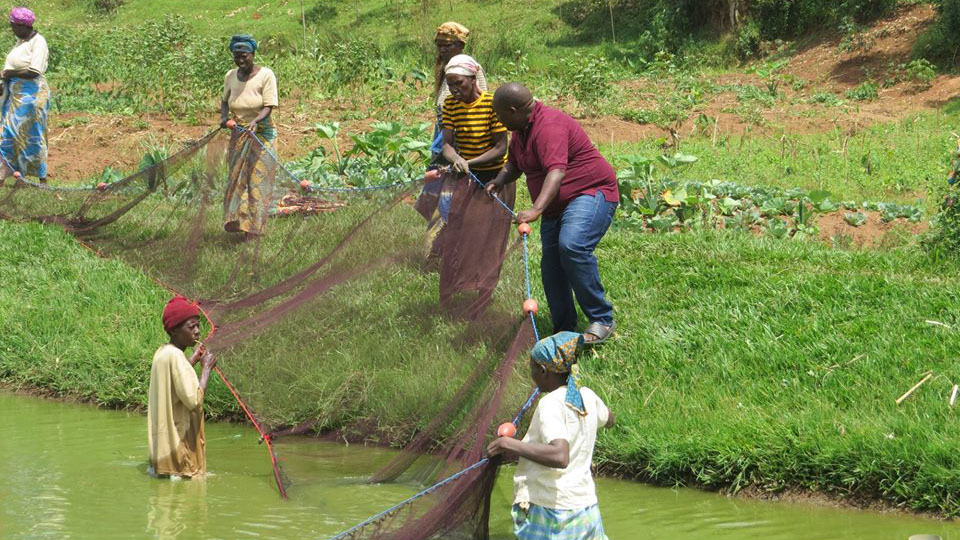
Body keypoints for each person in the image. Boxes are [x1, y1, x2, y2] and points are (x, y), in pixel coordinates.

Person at [485, 83, 619, 344]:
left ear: (513, 111)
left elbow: (556, 172)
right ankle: (564, 328)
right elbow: (514, 163)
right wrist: (500, 180)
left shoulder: (549, 127)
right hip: (557, 206)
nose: (498, 121)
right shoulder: (521, 130)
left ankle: (602, 318)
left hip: (591, 192)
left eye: (499, 115)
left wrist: (536, 209)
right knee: (552, 266)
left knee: (572, 246)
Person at [487, 331, 614, 540]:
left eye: (532, 368)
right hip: (586, 509)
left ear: (544, 370)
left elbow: (560, 456)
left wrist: (509, 444)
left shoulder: (551, 404)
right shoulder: (587, 396)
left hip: (553, 513)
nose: (531, 374)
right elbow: (610, 419)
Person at [148, 296, 217, 478]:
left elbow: (176, 379)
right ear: (175, 331)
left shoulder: (162, 353)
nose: (197, 332)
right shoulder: (176, 358)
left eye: (197, 326)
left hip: (162, 456)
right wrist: (206, 370)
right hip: (180, 457)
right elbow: (194, 401)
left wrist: (193, 359)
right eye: (191, 327)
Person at [220, 34, 279, 238]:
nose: (240, 60)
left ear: (253, 55)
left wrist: (256, 121)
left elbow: (269, 106)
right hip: (239, 133)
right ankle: (239, 221)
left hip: (262, 135)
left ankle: (254, 230)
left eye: (244, 56)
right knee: (237, 179)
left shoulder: (266, 75)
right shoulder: (230, 76)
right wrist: (224, 118)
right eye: (236, 57)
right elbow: (225, 101)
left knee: (257, 181)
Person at [0, 7, 49, 182]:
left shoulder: (38, 42)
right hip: (16, 96)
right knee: (7, 134)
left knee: (32, 136)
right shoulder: (22, 42)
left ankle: (42, 179)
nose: (12, 29)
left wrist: (9, 74)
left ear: (23, 26)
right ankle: (7, 175)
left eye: (13, 26)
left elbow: (34, 71)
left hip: (31, 97)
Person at [440, 54, 507, 183]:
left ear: (473, 79)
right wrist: (457, 159)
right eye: (450, 85)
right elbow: (447, 145)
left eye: (459, 83)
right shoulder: (450, 104)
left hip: (495, 174)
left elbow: (501, 148)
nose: (454, 89)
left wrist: (468, 162)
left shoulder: (492, 103)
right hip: (467, 172)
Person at [430, 22, 487, 164]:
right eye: (439, 45)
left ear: (461, 45)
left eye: (447, 46)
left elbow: (481, 103)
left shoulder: (469, 69)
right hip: (445, 126)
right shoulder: (446, 66)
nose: (442, 49)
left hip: (461, 128)